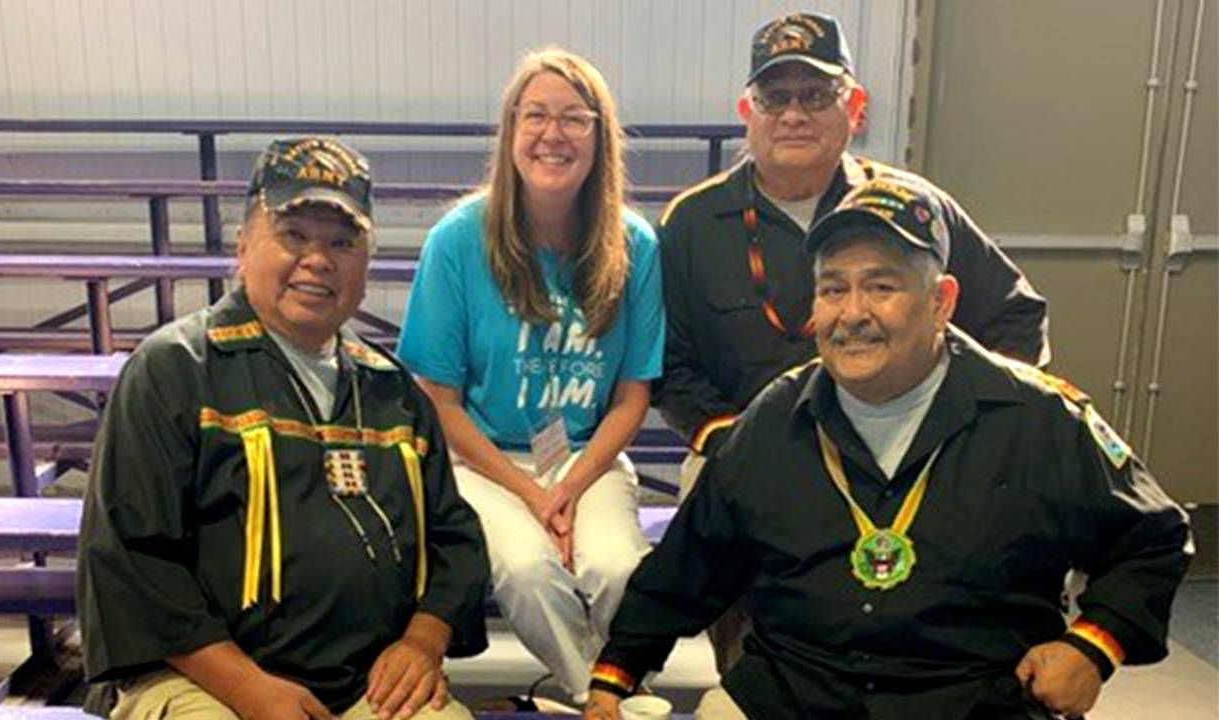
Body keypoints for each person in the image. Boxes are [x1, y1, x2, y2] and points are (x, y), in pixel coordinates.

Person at [583, 176, 1192, 720]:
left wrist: (1092, 645)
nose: (853, 313)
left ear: (941, 302)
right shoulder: (773, 420)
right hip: (791, 695)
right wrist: (616, 675)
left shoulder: (1038, 419)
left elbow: (1155, 538)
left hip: (973, 698)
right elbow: (691, 565)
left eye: (881, 286)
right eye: (833, 289)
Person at [654, 10, 1054, 674]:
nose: (793, 115)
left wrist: (971, 430)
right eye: (774, 97)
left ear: (855, 107)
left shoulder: (917, 207)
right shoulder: (692, 223)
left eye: (816, 95)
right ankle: (752, 683)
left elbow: (1016, 319)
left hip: (910, 451)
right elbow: (672, 366)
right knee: (727, 523)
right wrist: (729, 440)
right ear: (746, 111)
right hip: (754, 446)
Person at [78, 137, 490, 720]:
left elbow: (454, 538)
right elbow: (132, 561)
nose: (319, 259)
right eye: (293, 235)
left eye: (343, 242)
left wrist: (423, 641)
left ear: (366, 266)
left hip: (365, 683)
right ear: (243, 246)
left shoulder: (390, 390)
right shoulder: (174, 370)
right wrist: (251, 689)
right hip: (199, 676)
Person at [397, 48, 664, 704]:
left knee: (619, 570)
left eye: (575, 118)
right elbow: (438, 400)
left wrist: (569, 486)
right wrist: (529, 491)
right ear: (510, 130)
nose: (554, 134)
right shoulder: (459, 240)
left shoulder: (635, 244)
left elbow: (633, 397)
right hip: (484, 461)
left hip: (588, 457)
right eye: (536, 115)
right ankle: (602, 699)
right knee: (527, 572)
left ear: (601, 138)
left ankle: (602, 687)